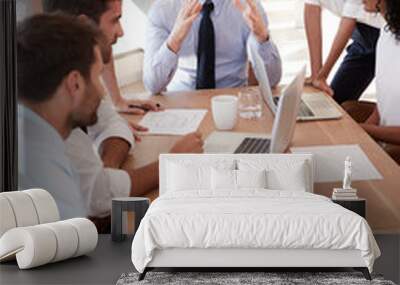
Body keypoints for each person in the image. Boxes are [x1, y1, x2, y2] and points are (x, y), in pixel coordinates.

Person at [43, 0, 204, 230]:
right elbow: (99, 203)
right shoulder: (53, 107)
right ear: (84, 24)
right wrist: (170, 163)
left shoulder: (70, 78)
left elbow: (112, 122)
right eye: (115, 19)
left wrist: (107, 172)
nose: (121, 31)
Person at [17, 14, 109, 219]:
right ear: (75, 83)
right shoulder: (42, 167)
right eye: (97, 77)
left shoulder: (31, 136)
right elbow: (72, 247)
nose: (102, 91)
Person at [143, 0, 282, 94]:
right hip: (182, 101)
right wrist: (174, 39)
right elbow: (153, 85)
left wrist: (262, 37)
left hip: (233, 99)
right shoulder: (163, 9)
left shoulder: (248, 6)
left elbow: (272, 81)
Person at [350, 0, 400, 164]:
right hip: (383, 142)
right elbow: (384, 102)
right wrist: (358, 134)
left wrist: (366, 130)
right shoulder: (386, 34)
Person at [304, 0, 383, 104]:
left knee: (389, 103)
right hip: (362, 35)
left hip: (386, 34)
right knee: (336, 102)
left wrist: (322, 76)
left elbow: (347, 23)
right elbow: (311, 11)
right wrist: (316, 75)